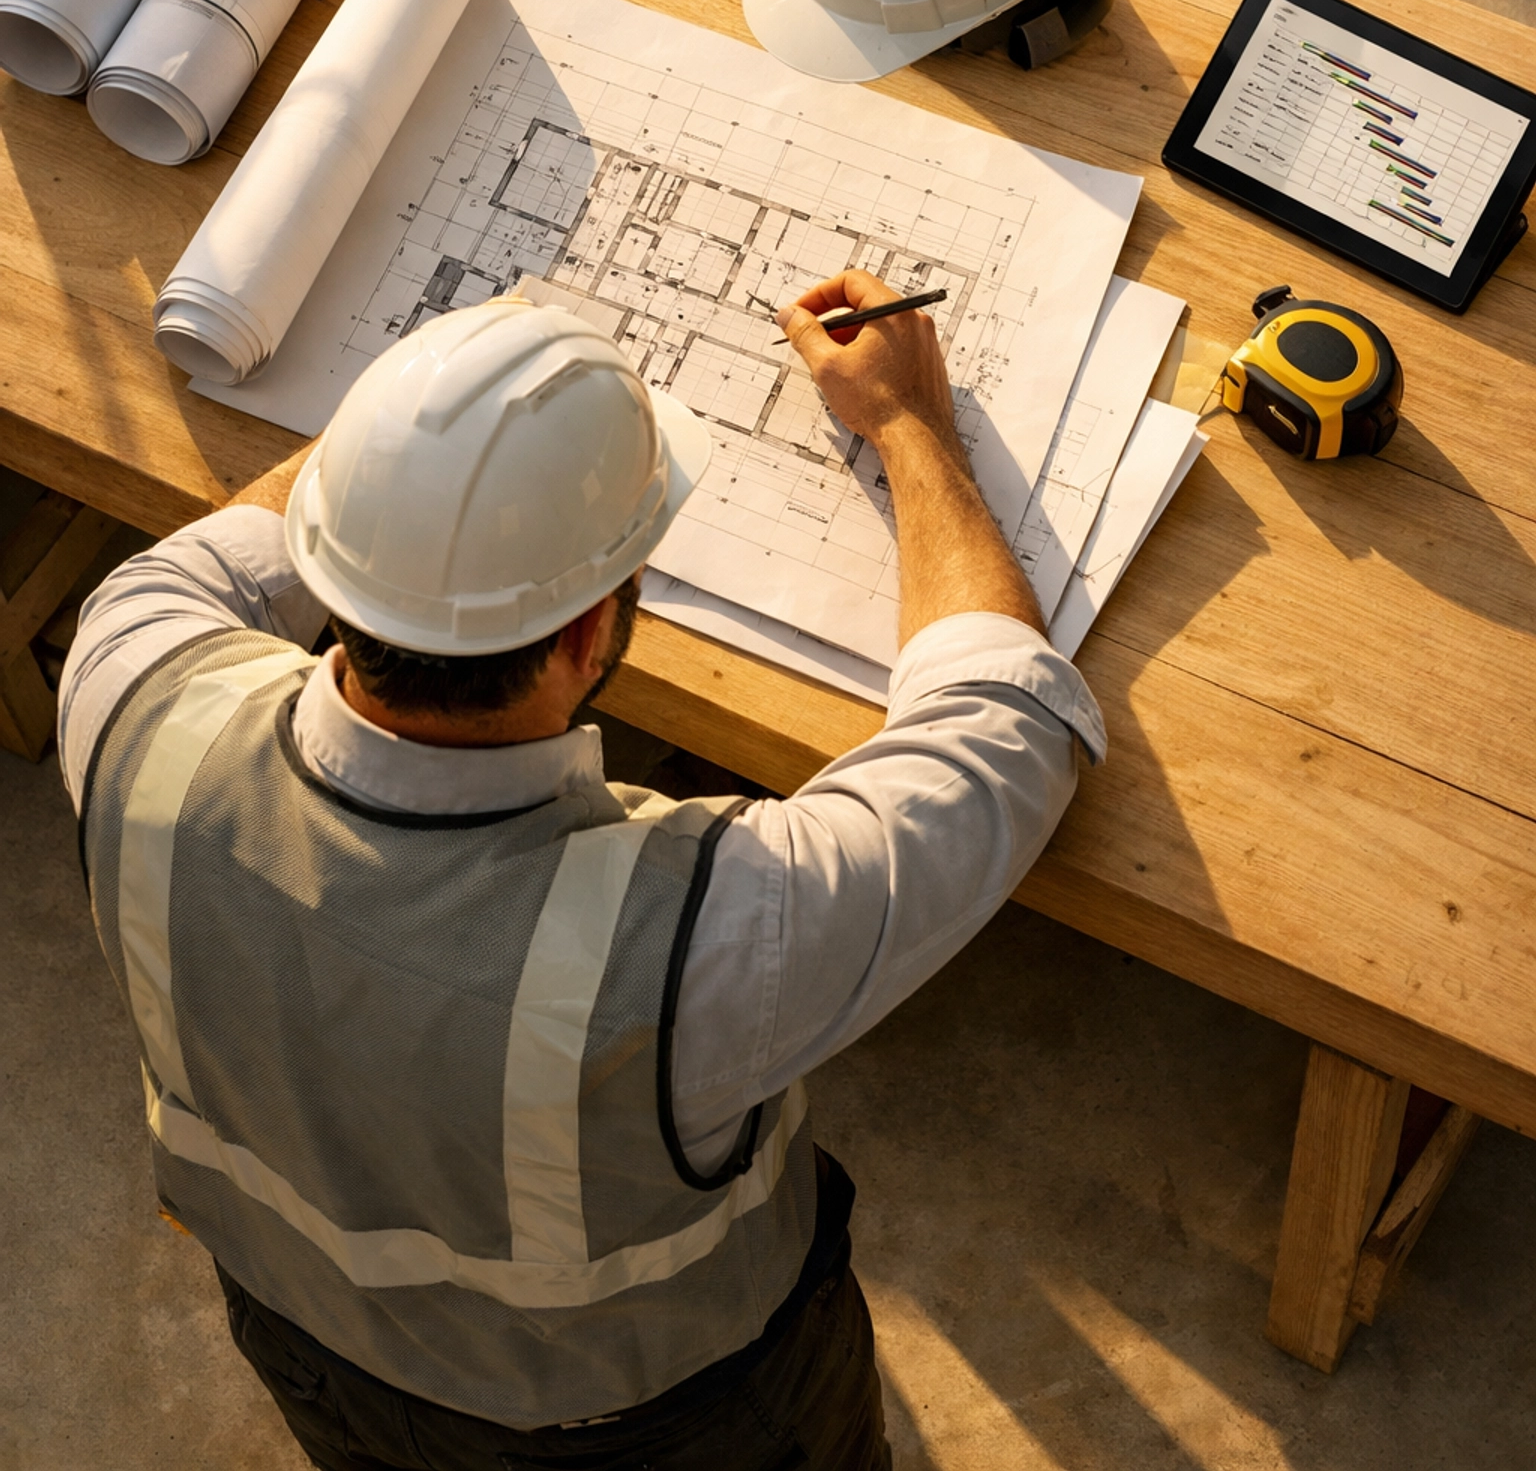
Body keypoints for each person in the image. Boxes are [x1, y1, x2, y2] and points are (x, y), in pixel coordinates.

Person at [61, 269, 1105, 1471]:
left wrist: (440, 425)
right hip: (654, 1437)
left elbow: (234, 559)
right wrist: (909, 421)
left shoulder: (128, 687)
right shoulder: (698, 943)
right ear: (585, 632)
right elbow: (1006, 732)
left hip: (309, 1349)